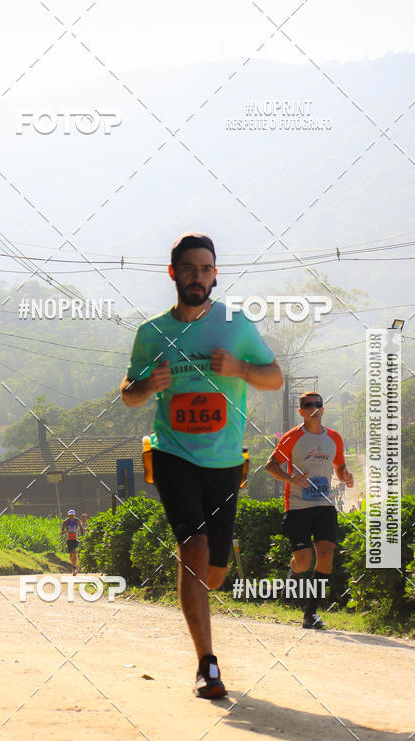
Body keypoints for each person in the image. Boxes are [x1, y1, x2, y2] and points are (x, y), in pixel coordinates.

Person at [120, 232, 283, 698]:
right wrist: (148, 385)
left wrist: (241, 370)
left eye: (207, 268)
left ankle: (204, 581)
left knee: (214, 570)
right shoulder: (152, 333)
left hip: (226, 460)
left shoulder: (235, 326)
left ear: (215, 274)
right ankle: (207, 665)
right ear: (173, 273)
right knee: (191, 549)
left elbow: (274, 378)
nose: (199, 276)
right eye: (190, 268)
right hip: (172, 452)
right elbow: (129, 393)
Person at [265, 392, 354, 629]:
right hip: (297, 506)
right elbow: (271, 466)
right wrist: (291, 479)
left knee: (326, 557)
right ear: (301, 410)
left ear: (323, 409)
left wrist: (346, 475)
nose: (314, 408)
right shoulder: (292, 437)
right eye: (308, 405)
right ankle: (294, 574)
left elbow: (340, 466)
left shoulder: (334, 437)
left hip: (324, 504)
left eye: (318, 404)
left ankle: (311, 614)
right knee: (304, 562)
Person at [61, 510, 81, 575]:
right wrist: (66, 531)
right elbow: (61, 532)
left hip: (75, 539)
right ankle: (74, 567)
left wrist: (82, 536)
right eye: (70, 515)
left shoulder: (77, 521)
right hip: (69, 539)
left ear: (74, 515)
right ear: (68, 515)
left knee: (74, 552)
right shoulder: (65, 522)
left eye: (72, 515)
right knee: (71, 554)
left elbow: (80, 528)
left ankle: (74, 568)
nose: (71, 517)